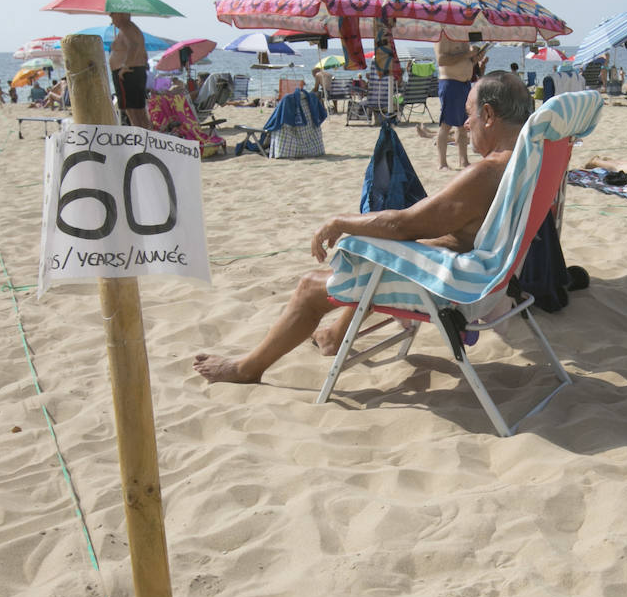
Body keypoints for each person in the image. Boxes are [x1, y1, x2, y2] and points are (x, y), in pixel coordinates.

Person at [194, 71, 533, 385]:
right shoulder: (529, 161)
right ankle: (334, 335)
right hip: (492, 276)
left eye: (470, 112)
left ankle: (246, 368)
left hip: (456, 290)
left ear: (489, 115)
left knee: (312, 288)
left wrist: (339, 223)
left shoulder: (486, 173)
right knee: (380, 254)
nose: (465, 121)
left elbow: (401, 225)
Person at [434, 37, 487, 169]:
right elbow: (442, 60)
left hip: (465, 84)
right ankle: (442, 163)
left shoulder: (462, 35)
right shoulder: (443, 35)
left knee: (463, 126)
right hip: (450, 82)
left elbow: (466, 61)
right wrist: (468, 54)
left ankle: (463, 160)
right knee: (446, 125)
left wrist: (476, 58)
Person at [108, 11, 150, 128]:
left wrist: (125, 65)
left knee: (132, 111)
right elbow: (143, 53)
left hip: (128, 72)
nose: (111, 17)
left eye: (112, 14)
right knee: (138, 111)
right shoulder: (132, 28)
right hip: (135, 71)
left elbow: (134, 46)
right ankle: (145, 138)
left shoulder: (127, 27)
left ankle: (139, 140)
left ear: (121, 14)